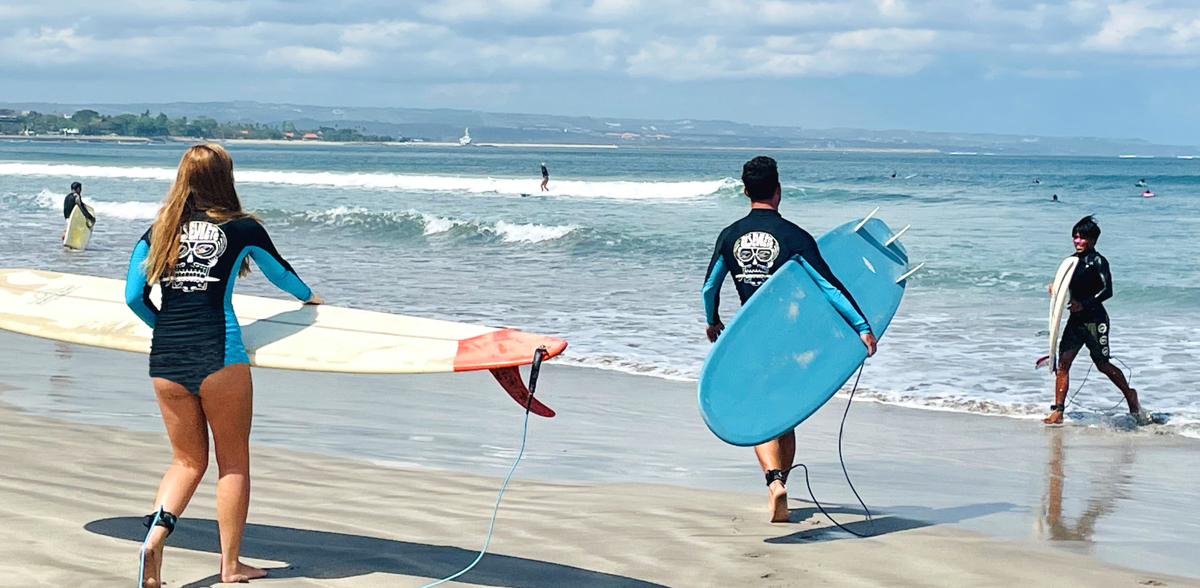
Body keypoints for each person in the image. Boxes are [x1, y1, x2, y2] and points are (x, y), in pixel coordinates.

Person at [124, 144, 323, 587]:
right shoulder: (244, 229)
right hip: (219, 355)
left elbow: (134, 297)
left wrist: (168, 328)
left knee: (185, 462)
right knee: (232, 464)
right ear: (225, 179)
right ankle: (230, 566)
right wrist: (309, 298)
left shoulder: (159, 229)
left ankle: (155, 538)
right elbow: (281, 274)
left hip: (166, 358)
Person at [702, 156, 877, 522]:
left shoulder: (729, 235)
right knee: (785, 416)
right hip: (789, 339)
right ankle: (781, 481)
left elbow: (709, 287)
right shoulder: (796, 237)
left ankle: (772, 483)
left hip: (749, 338)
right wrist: (862, 326)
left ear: (745, 190)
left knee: (760, 412)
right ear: (778, 190)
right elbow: (830, 287)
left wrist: (713, 321)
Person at [1043, 215, 1147, 426]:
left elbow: (1107, 290)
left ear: (1092, 240)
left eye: (1082, 238)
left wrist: (1085, 303)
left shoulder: (1099, 261)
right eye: (1075, 237)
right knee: (1063, 364)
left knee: (1102, 365)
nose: (1077, 241)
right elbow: (1063, 286)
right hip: (1075, 322)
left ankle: (1130, 396)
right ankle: (1058, 411)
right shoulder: (1071, 262)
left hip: (1095, 320)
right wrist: (1055, 289)